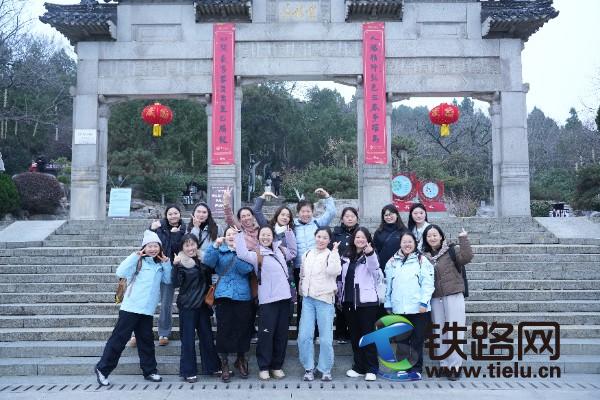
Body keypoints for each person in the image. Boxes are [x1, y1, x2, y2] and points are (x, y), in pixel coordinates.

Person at [94, 230, 171, 386]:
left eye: (156, 246)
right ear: (144, 247)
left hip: (147, 310)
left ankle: (150, 371)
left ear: (160, 248)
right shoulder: (137, 261)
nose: (153, 249)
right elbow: (120, 272)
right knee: (119, 339)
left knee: (146, 341)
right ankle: (102, 369)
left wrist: (166, 263)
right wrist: (135, 256)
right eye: (149, 246)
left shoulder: (160, 265)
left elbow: (168, 280)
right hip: (131, 307)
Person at [235, 226, 297, 380]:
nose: (265, 237)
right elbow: (241, 253)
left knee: (281, 335)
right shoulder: (256, 254)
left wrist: (289, 233)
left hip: (285, 298)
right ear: (259, 237)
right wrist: (239, 235)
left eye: (268, 234)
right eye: (263, 235)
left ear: (273, 236)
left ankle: (277, 366)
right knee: (266, 335)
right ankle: (263, 366)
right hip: (268, 301)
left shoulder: (280, 250)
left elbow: (293, 252)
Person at [203, 226, 254, 383]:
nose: (232, 236)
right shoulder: (219, 251)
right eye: (229, 234)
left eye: (235, 234)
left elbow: (246, 269)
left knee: (242, 329)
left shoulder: (244, 251)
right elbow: (208, 262)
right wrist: (215, 246)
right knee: (224, 329)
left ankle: (241, 359)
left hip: (243, 295)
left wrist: (239, 251)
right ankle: (224, 362)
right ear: (224, 236)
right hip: (223, 295)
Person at [422, 225, 473, 381]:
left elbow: (467, 257)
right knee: (439, 332)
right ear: (425, 239)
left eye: (435, 235)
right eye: (429, 236)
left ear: (441, 236)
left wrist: (463, 239)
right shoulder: (424, 256)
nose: (432, 238)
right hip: (435, 298)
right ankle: (444, 364)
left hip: (453, 295)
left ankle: (455, 366)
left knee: (454, 331)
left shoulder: (451, 250)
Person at [384, 231, 434, 381]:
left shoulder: (422, 260)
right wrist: (388, 303)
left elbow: (428, 283)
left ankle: (416, 369)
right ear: (400, 243)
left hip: (418, 309)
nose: (407, 244)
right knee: (401, 340)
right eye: (404, 242)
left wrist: (424, 302)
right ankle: (402, 367)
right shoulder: (392, 262)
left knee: (417, 340)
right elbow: (388, 285)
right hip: (399, 308)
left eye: (410, 241)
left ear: (415, 243)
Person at [172, 234, 220, 383]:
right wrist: (175, 266)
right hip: (188, 306)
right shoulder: (180, 262)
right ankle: (188, 371)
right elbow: (175, 283)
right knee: (188, 339)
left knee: (207, 337)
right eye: (187, 245)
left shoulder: (203, 259)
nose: (190, 248)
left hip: (203, 306)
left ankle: (212, 367)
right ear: (182, 248)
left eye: (192, 244)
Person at [297, 227, 341, 382]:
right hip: (308, 299)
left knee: (325, 338)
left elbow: (334, 271)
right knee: (304, 336)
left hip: (325, 300)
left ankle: (325, 368)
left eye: (325, 238)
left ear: (329, 240)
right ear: (314, 237)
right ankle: (308, 367)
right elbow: (302, 274)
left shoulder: (331, 254)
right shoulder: (307, 253)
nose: (321, 240)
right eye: (319, 236)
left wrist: (334, 252)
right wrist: (302, 290)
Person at [339, 227, 381, 381]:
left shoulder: (371, 255)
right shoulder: (346, 255)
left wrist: (370, 253)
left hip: (366, 302)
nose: (360, 240)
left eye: (363, 237)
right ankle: (359, 367)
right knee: (355, 336)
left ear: (368, 239)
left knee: (368, 336)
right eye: (357, 237)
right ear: (353, 239)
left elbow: (375, 270)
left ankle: (372, 368)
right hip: (349, 301)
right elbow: (341, 277)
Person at [293, 188, 336, 332]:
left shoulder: (318, 223)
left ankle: (316, 331)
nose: (306, 214)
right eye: (303, 211)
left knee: (317, 299)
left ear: (312, 212)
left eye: (308, 211)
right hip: (299, 268)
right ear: (298, 212)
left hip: (318, 268)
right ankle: (302, 331)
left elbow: (331, 213)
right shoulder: (292, 225)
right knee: (302, 300)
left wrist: (327, 196)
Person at [149, 205, 186, 346]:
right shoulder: (158, 227)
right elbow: (148, 244)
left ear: (180, 214)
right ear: (166, 215)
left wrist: (176, 235)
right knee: (147, 300)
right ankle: (137, 332)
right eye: (170, 213)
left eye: (175, 213)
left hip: (170, 269)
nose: (173, 216)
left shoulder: (184, 230)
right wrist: (150, 228)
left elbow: (179, 249)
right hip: (154, 267)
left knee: (166, 303)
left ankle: (164, 332)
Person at [330, 207, 360, 345]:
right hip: (340, 274)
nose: (349, 218)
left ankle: (353, 333)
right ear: (342, 219)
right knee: (340, 303)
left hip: (356, 273)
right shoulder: (336, 234)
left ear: (356, 218)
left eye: (352, 216)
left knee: (353, 303)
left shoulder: (360, 233)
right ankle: (341, 333)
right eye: (347, 216)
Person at [373, 204, 407, 272]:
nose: (389, 217)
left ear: (397, 215)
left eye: (391, 214)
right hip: (383, 267)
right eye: (386, 215)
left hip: (400, 267)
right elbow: (375, 250)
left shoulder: (405, 231)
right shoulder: (379, 232)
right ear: (383, 217)